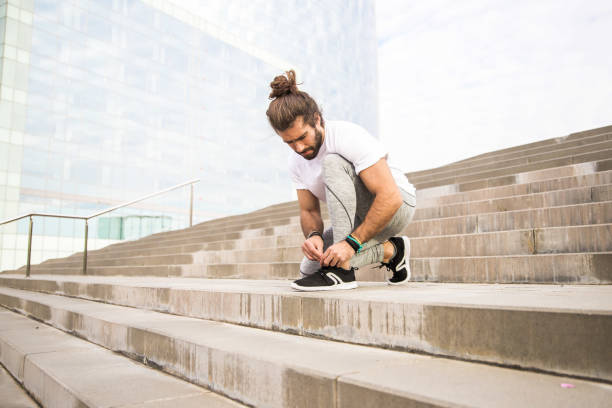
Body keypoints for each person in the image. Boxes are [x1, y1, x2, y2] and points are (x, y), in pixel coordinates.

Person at [266, 70, 416, 291]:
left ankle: (341, 271)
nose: (298, 147)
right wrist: (314, 235)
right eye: (289, 142)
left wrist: (351, 244)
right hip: (357, 217)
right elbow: (309, 212)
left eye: (302, 137)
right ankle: (392, 251)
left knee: (332, 162)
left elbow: (390, 197)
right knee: (309, 270)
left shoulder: (346, 136)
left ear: (317, 119)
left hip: (396, 206)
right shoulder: (295, 162)